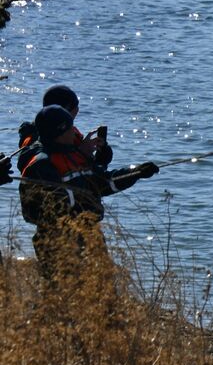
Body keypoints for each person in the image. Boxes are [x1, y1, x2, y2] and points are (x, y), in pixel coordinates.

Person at [18, 104, 158, 278]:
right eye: (69, 128)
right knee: (63, 293)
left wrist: (135, 173)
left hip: (90, 236)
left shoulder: (77, 155)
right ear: (59, 132)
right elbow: (32, 212)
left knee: (104, 288)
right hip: (57, 242)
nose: (74, 131)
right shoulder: (41, 165)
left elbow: (102, 183)